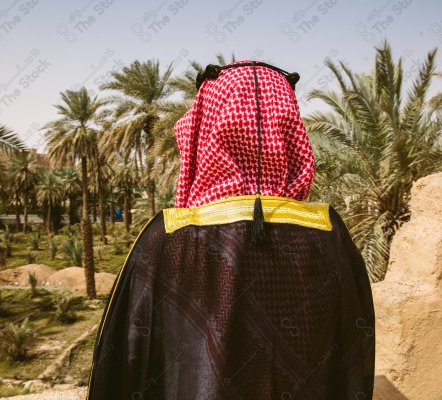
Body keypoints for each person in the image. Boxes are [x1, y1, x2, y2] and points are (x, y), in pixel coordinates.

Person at [86, 60, 375, 399]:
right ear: (289, 133)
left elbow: (119, 364)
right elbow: (355, 364)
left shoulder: (166, 239)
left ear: (201, 132)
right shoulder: (330, 235)